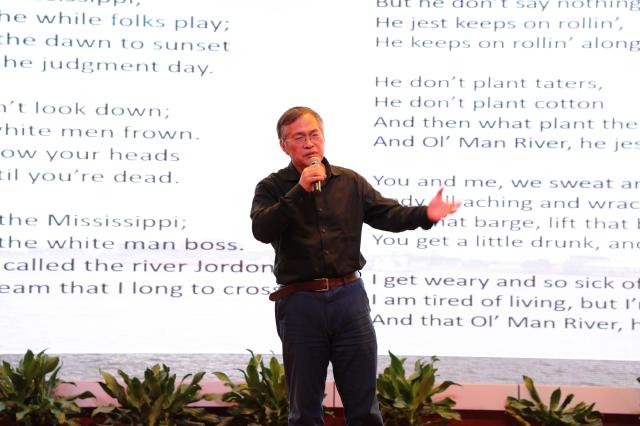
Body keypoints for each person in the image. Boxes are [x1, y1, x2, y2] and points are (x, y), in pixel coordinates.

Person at [250, 106, 459, 426]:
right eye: (299, 137)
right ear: (284, 145)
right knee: (304, 410)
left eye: (314, 135)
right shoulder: (272, 187)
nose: (309, 143)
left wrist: (425, 215)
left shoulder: (349, 182)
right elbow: (262, 230)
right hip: (300, 302)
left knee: (364, 407)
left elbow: (388, 214)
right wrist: (299, 190)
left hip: (349, 299)